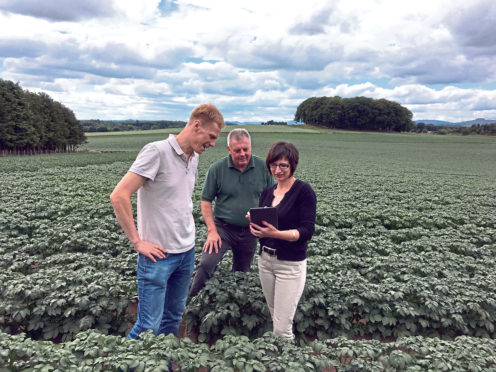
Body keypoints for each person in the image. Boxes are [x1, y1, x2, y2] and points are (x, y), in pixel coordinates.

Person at [109, 103, 225, 339]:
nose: (212, 144)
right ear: (196, 125)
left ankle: (166, 364)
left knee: (173, 319)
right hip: (158, 256)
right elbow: (119, 195)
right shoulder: (156, 152)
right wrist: (137, 242)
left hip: (186, 252)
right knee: (147, 326)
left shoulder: (193, 157)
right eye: (211, 136)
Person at [189, 128, 275, 297]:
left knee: (241, 272)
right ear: (229, 149)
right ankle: (191, 300)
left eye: (246, 149)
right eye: (237, 150)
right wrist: (212, 232)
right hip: (223, 229)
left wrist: (264, 221)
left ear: (250, 146)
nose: (242, 154)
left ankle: (233, 306)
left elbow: (271, 197)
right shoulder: (217, 169)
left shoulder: (263, 168)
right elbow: (206, 201)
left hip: (251, 230)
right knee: (207, 263)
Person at [249, 141, 317, 340]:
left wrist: (275, 233)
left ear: (292, 165)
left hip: (290, 265)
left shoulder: (303, 191)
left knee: (281, 329)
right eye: (273, 165)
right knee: (275, 317)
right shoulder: (267, 193)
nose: (277, 170)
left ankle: (287, 360)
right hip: (265, 262)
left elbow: (307, 231)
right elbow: (263, 228)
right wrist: (256, 228)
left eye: (283, 165)